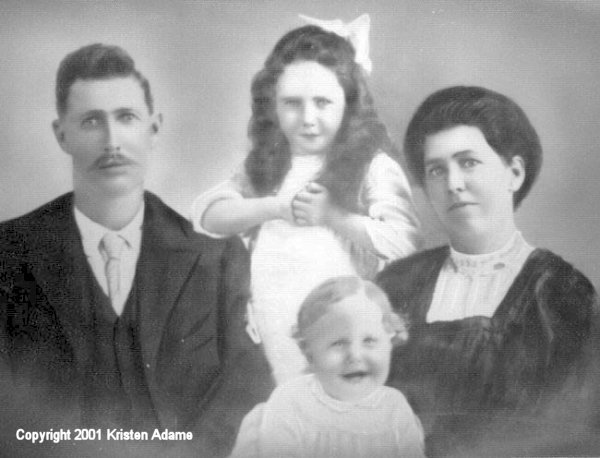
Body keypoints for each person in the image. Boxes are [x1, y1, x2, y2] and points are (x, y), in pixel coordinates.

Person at [0, 43, 271, 457]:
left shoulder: (215, 258)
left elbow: (246, 386)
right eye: (91, 121)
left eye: (126, 118)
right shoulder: (9, 253)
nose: (112, 141)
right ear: (62, 135)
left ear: (153, 128)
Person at [190, 16, 421, 385]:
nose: (308, 119)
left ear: (348, 103)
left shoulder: (371, 165)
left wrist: (333, 216)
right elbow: (208, 215)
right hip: (274, 320)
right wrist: (275, 207)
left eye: (323, 103)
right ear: (272, 106)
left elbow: (405, 241)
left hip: (347, 330)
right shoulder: (268, 167)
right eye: (292, 104)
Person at [377, 85, 599, 456]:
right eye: (436, 170)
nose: (453, 184)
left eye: (468, 162)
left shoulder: (563, 296)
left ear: (513, 173)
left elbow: (578, 434)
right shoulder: (394, 285)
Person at [230, 276, 425, 458]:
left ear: (391, 341)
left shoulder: (394, 407)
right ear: (309, 353)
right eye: (339, 343)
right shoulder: (290, 402)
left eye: (370, 341)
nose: (355, 356)